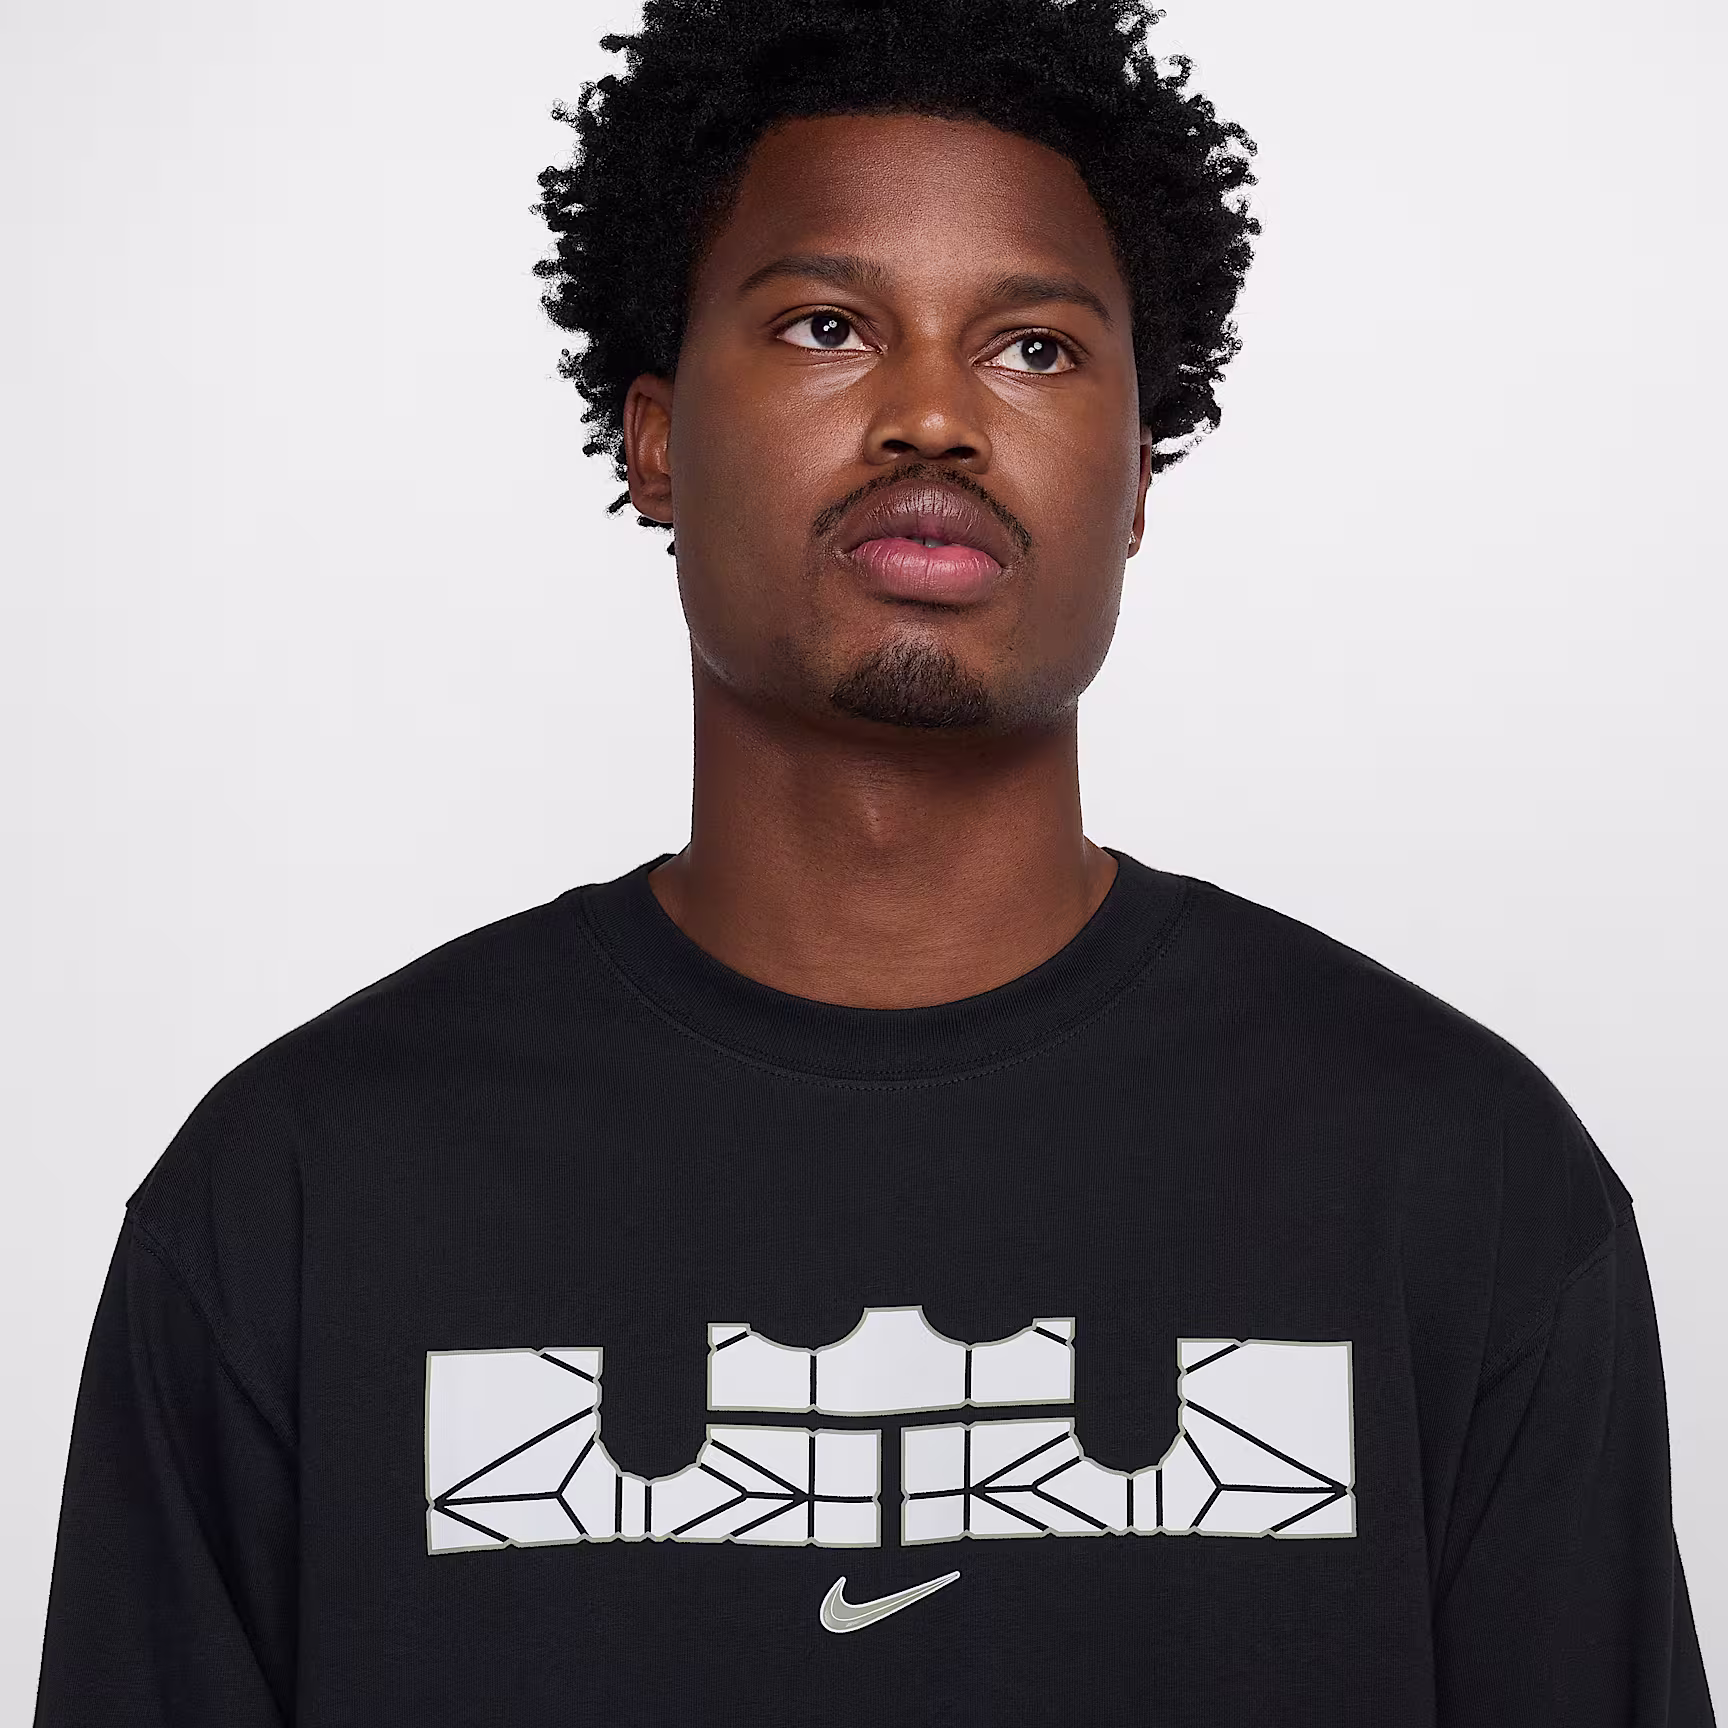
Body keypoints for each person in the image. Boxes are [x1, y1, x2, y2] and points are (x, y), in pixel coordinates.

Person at [32, 0, 1716, 1721]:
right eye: (828, 325)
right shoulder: (301, 1197)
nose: (933, 416)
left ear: (1139, 477)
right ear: (657, 440)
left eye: (1035, 348)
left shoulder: (1456, 1181)